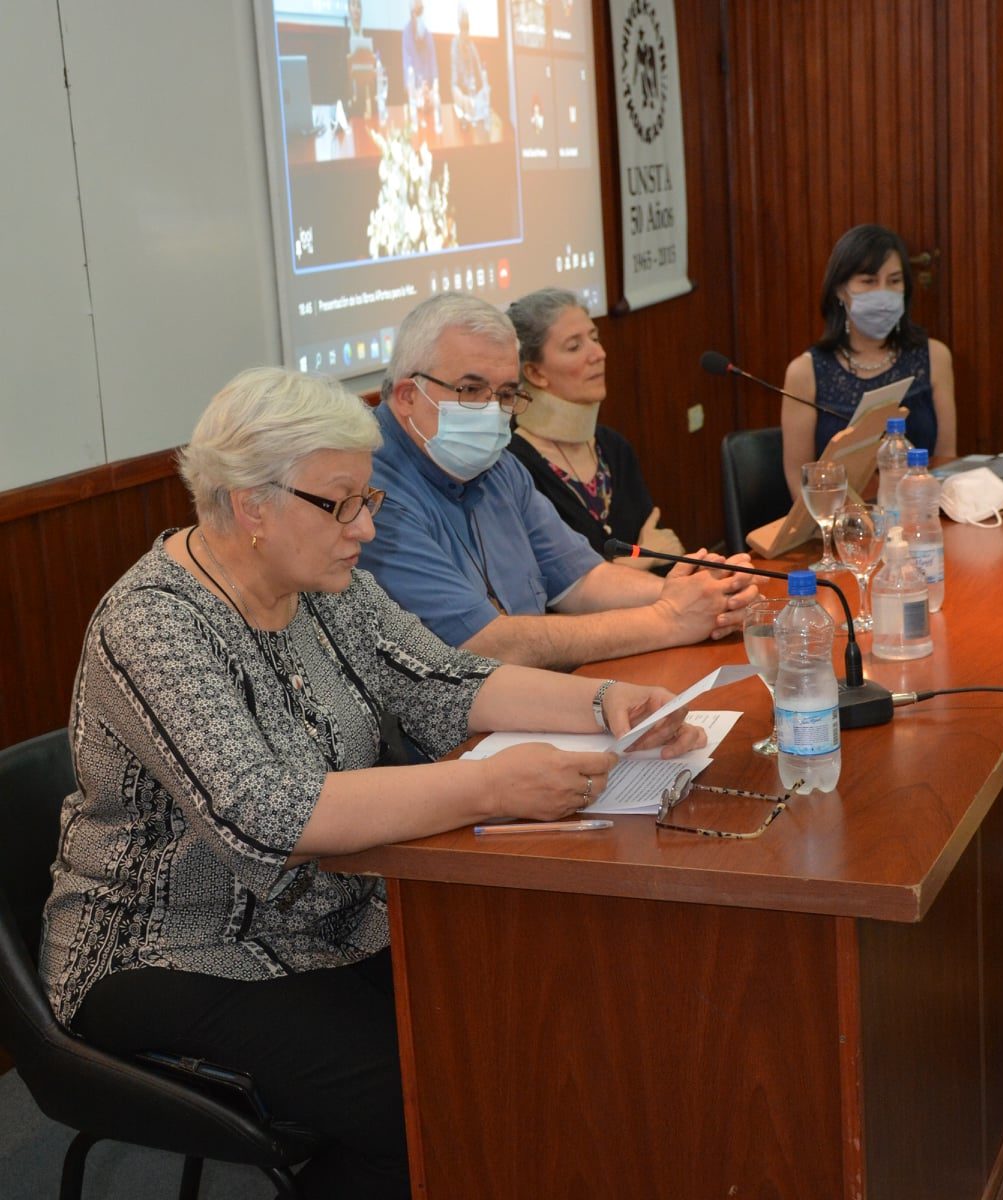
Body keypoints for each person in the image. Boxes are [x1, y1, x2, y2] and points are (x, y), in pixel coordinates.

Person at [38, 367, 703, 1199]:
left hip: (332, 913)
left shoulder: (325, 586)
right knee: (427, 1104)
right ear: (251, 506)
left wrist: (605, 702)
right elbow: (265, 815)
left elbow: (444, 680)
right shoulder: (155, 623)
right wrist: (489, 788)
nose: (364, 527)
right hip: (168, 950)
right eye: (341, 504)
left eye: (369, 499)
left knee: (518, 1027)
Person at [361, 292, 758, 670]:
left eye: (505, 394)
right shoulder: (369, 493)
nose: (491, 411)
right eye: (471, 389)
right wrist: (669, 617)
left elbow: (582, 579)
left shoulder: (499, 467)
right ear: (408, 395)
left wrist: (695, 593)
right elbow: (488, 645)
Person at [506, 286, 684, 570]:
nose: (599, 353)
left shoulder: (614, 447)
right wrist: (640, 561)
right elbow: (548, 586)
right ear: (535, 373)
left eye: (595, 338)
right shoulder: (514, 468)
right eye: (574, 346)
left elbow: (667, 553)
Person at [780, 223, 956, 501]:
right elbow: (797, 476)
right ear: (840, 290)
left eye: (894, 281)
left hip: (921, 513)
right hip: (840, 520)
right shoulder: (805, 372)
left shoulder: (934, 356)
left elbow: (946, 458)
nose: (883, 294)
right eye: (869, 281)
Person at [450, 3, 486, 119]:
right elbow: (454, 85)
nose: (466, 31)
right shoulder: (454, 46)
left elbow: (482, 77)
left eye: (467, 27)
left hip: (474, 100)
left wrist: (484, 93)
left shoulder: (472, 46)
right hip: (462, 102)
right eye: (463, 27)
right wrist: (463, 100)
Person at [401, 0, 437, 105]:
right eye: (418, 11)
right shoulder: (406, 34)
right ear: (411, 14)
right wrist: (417, 93)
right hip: (415, 97)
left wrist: (433, 92)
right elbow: (407, 77)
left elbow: (435, 74)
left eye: (422, 10)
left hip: (429, 96)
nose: (421, 15)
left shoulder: (428, 36)